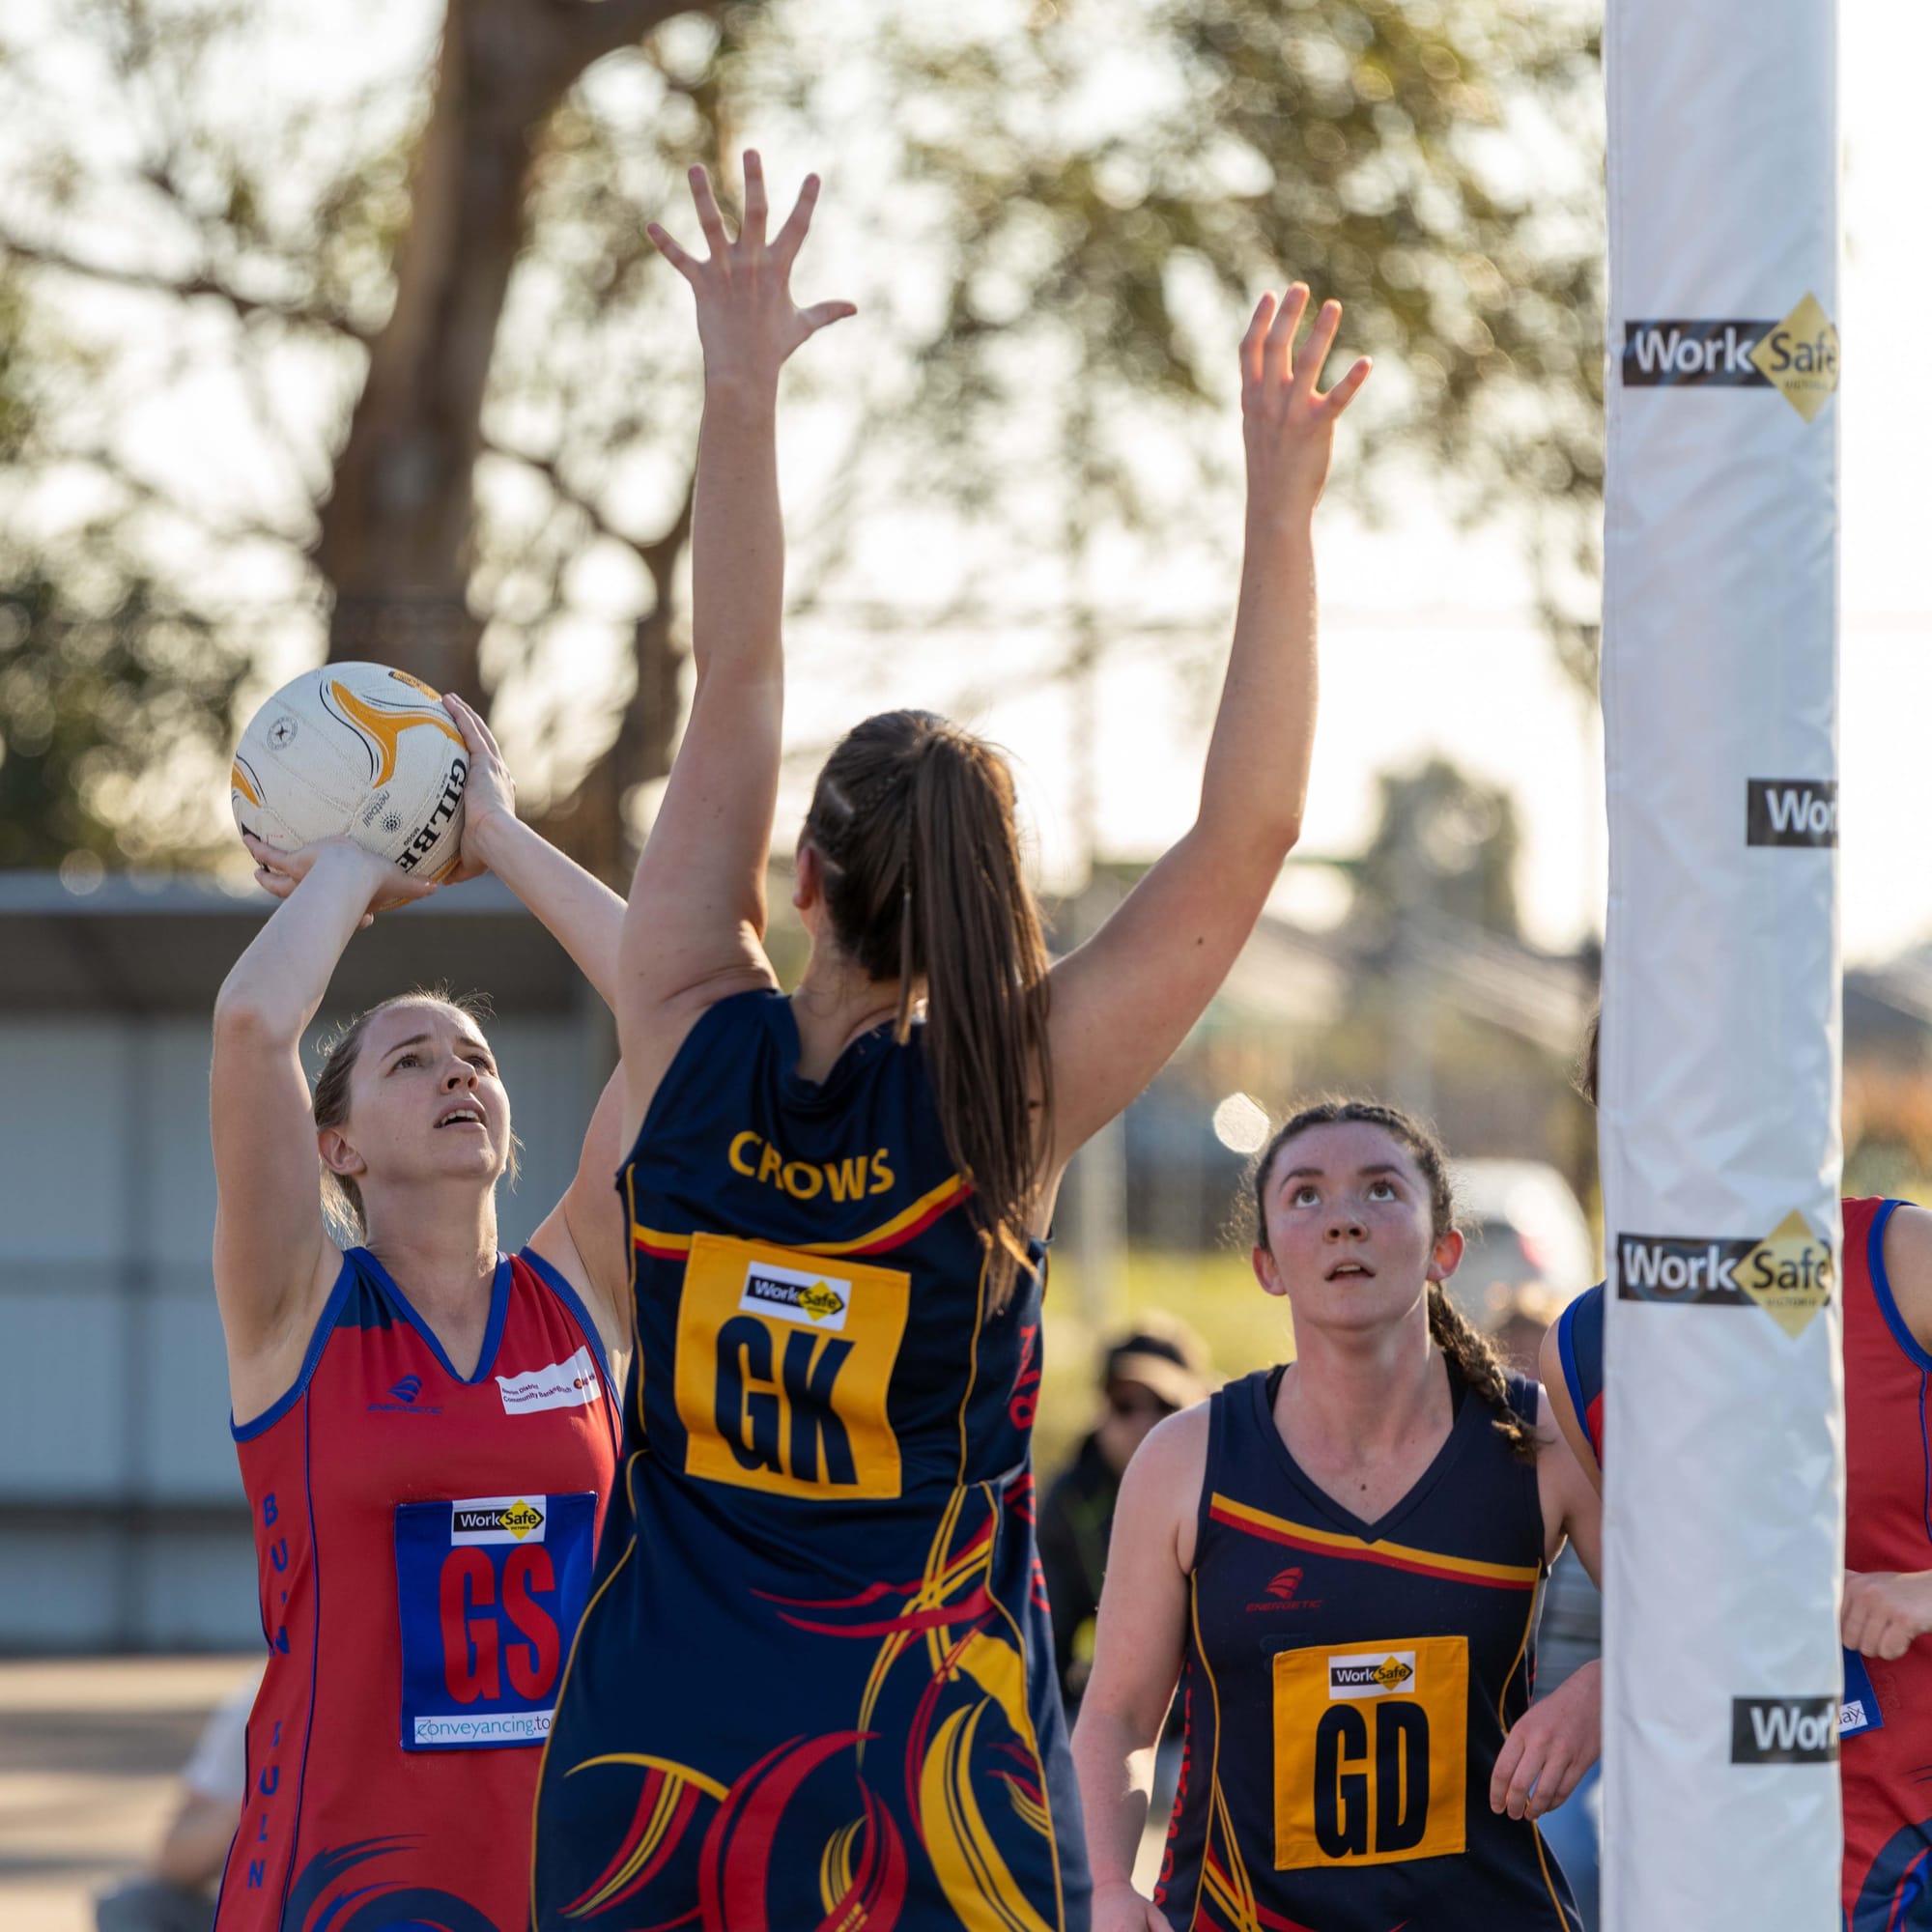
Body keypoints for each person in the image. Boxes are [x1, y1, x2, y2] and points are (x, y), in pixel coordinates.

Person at [529, 152, 1370, 1930]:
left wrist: (741, 382)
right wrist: (1278, 511)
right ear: (993, 898)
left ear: (810, 875)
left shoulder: (682, 1027)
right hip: (922, 1765)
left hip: (655, 1758)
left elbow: (736, 677)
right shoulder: (1006, 1108)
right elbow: (1247, 838)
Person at [207, 696, 627, 1932]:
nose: (457, 1070)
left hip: (563, 1881)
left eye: (476, 1059)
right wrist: (359, 849)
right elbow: (251, 1025)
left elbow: (684, 1007)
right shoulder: (297, 1306)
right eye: (410, 1059)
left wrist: (492, 830)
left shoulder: (579, 1288)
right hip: (345, 1886)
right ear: (335, 1144)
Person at [1075, 1101, 1603, 1932]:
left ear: (1444, 1251)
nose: (1344, 1221)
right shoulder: (1185, 1461)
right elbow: (1116, 1716)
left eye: (1382, 1191)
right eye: (1307, 1196)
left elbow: (1692, 1627)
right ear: (1267, 1265)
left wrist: (1603, 1690)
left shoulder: (1539, 1440)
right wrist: (1107, 1886)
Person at [1543, 1015, 1932, 1932]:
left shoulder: (1900, 1260)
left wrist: (1925, 1589)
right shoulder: (1588, 1348)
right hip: (1758, 1852)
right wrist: (1604, 1686)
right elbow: (1670, 1625)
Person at [1040, 1319, 1215, 1722]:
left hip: (1216, 1717)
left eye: (1165, 1406)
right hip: (1121, 1717)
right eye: (1124, 1406)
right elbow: (1049, 1644)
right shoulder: (1069, 1500)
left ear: (1203, 1403)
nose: (1142, 1423)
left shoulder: (1239, 1485)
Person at [95, 1667, 261, 1932]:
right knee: (130, 1906)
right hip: (259, 1911)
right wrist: (261, 1804)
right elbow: (174, 1861)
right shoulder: (267, 1694)